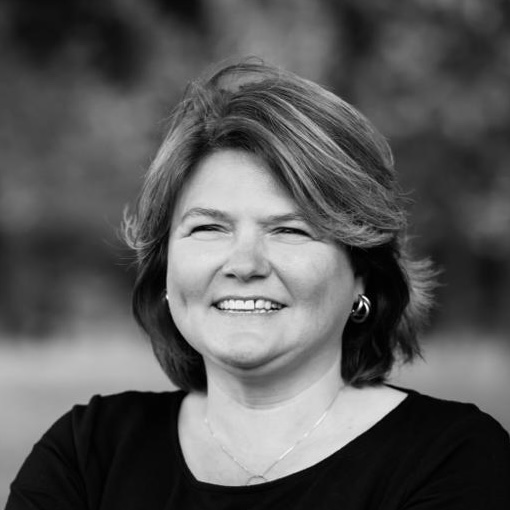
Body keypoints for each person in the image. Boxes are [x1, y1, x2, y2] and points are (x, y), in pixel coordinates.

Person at [7, 59, 510, 510]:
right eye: (209, 227)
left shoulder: (454, 459)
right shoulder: (88, 454)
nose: (244, 264)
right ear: (165, 268)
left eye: (289, 230)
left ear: (362, 271)